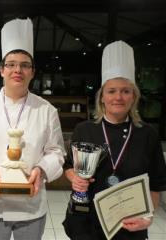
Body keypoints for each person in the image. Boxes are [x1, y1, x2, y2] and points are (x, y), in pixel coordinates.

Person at [0, 18, 65, 240]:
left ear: (32, 71)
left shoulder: (47, 110)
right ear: (1, 70)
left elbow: (56, 152)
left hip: (32, 204)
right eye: (11, 64)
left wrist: (40, 170)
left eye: (24, 65)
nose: (17, 70)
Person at [62, 40, 166, 240]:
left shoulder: (148, 135)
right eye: (112, 91)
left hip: (129, 226)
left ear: (133, 97)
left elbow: (155, 184)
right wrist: (74, 177)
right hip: (87, 223)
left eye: (126, 91)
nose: (118, 97)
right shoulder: (84, 130)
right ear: (102, 97)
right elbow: (68, 166)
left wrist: (148, 217)